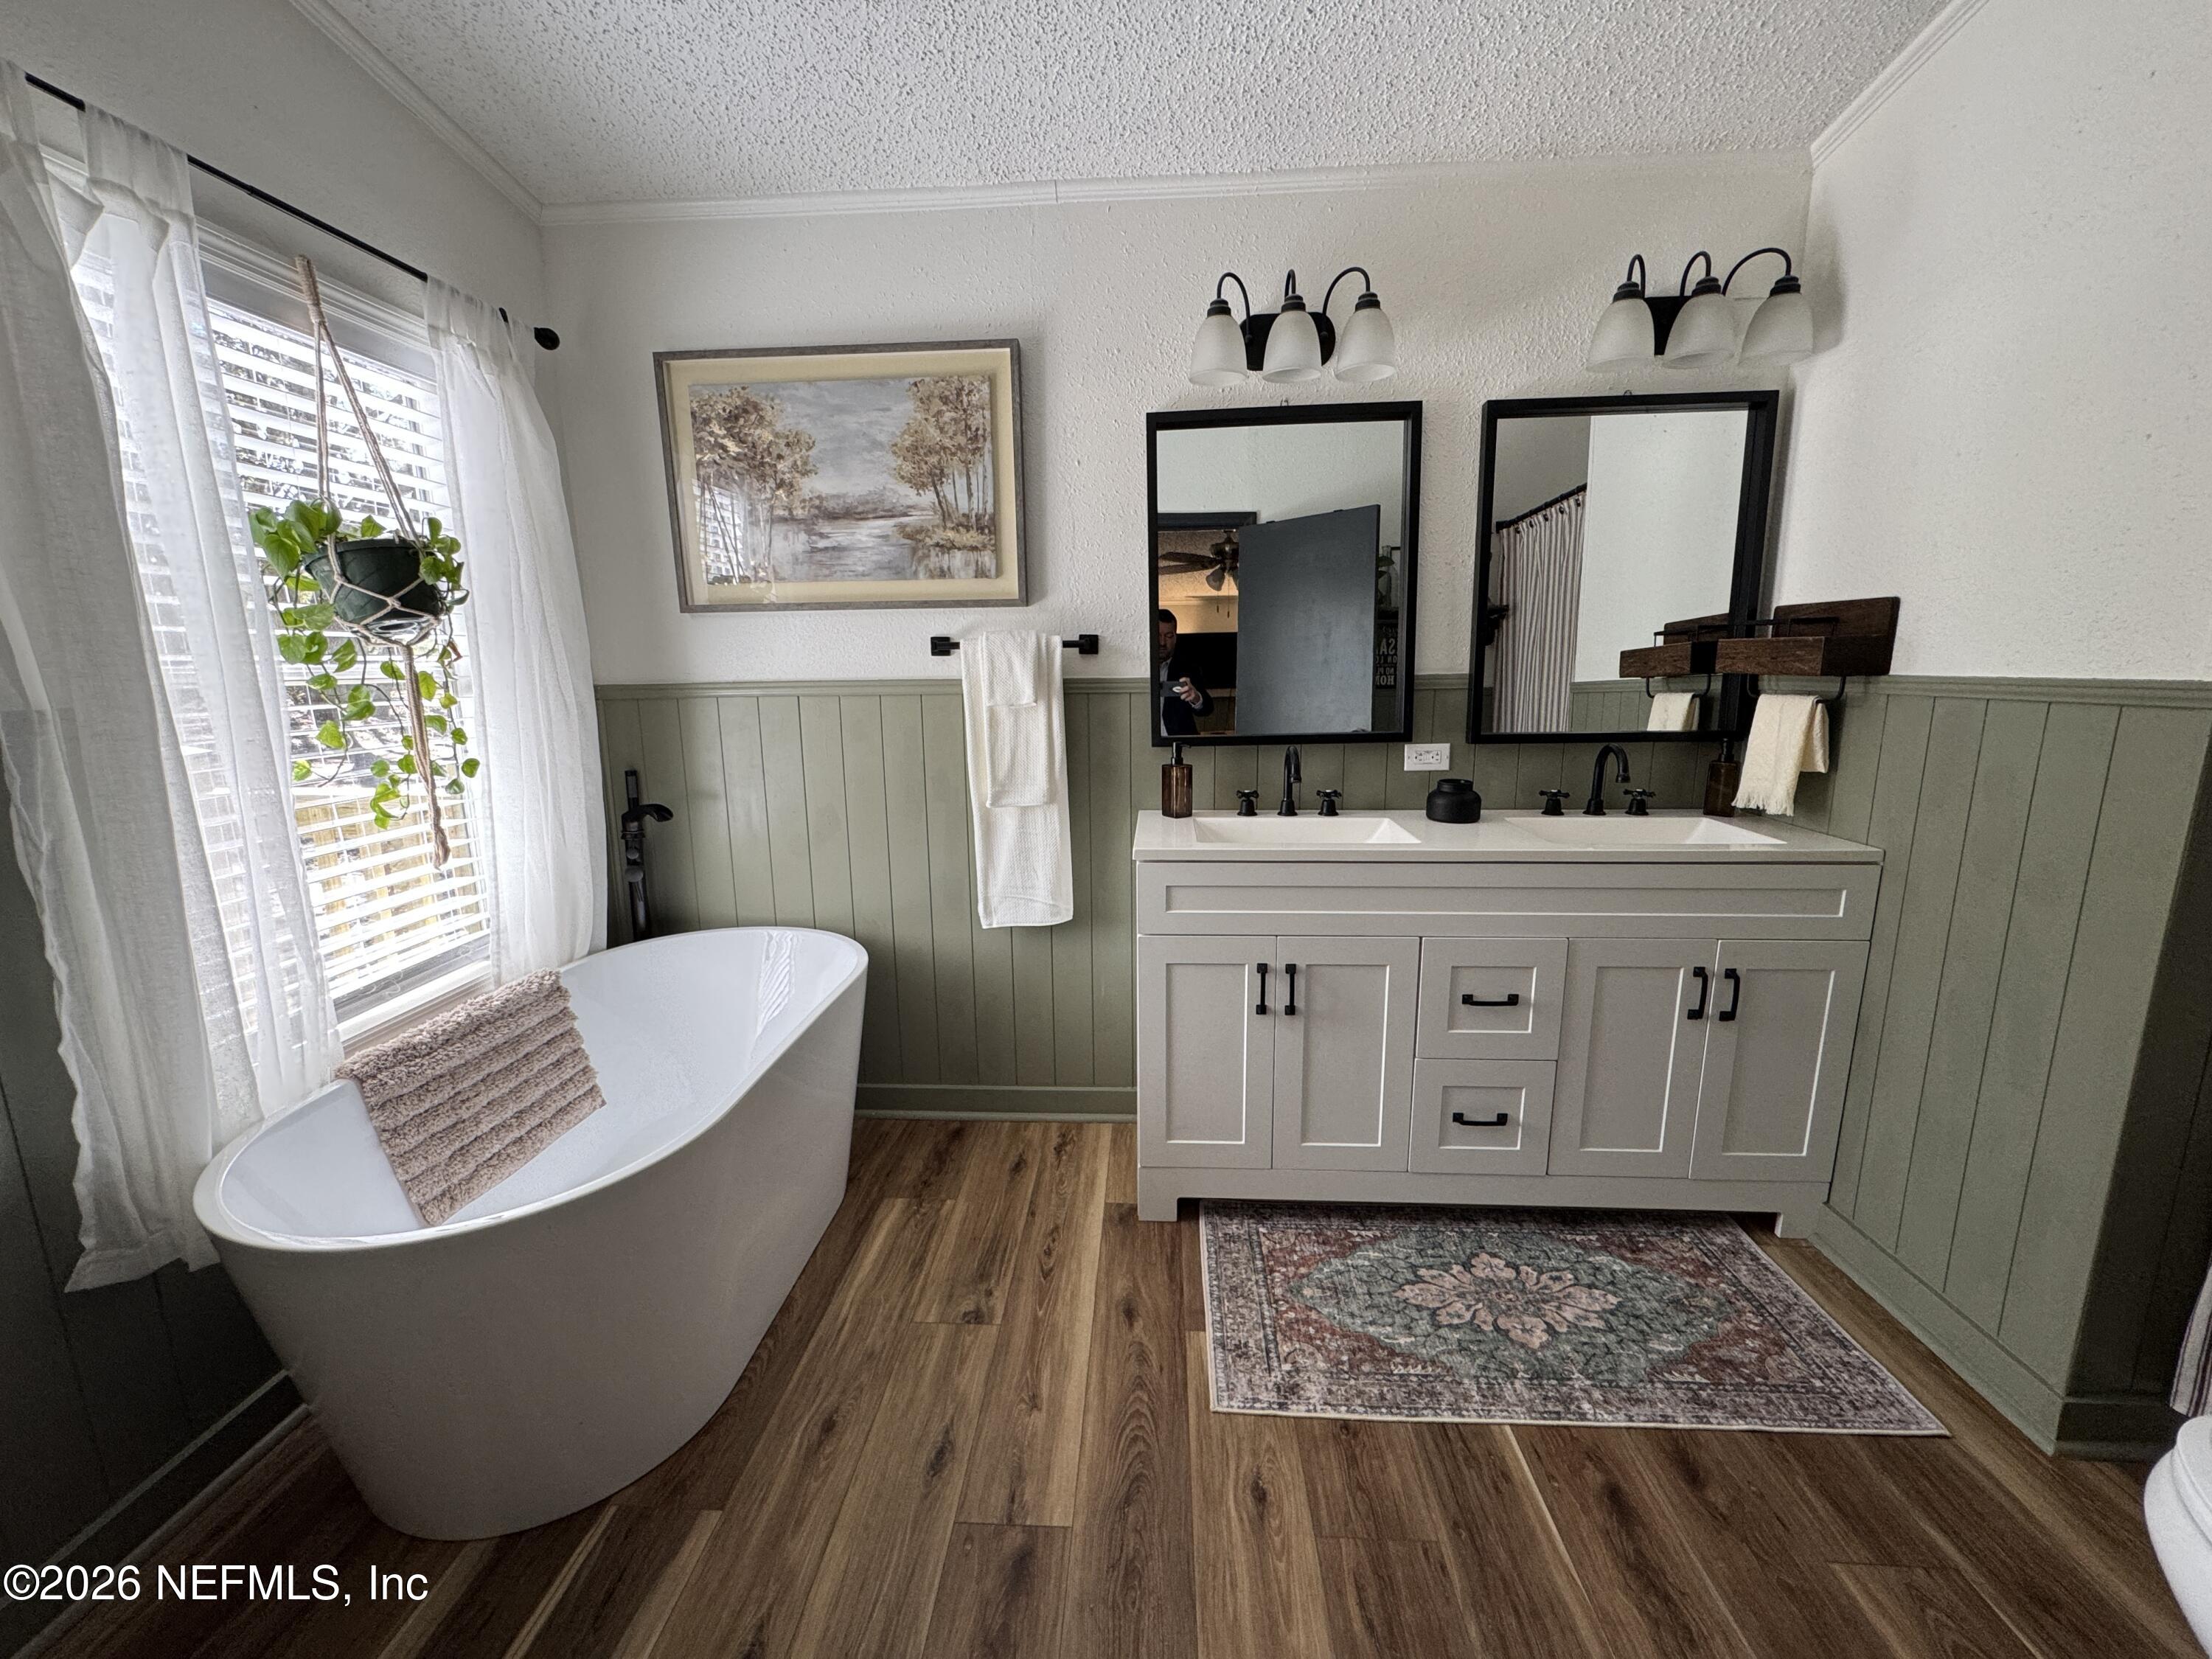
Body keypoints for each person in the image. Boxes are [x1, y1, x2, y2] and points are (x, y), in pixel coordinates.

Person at [1155, 608, 1214, 737]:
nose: (1162, 642)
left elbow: (1207, 708)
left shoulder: (1188, 667)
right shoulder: (1139, 669)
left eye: (1169, 636)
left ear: (1176, 638)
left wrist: (1196, 698)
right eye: (1158, 635)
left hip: (1182, 744)